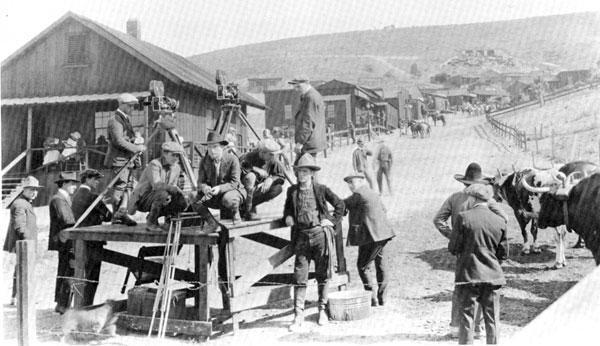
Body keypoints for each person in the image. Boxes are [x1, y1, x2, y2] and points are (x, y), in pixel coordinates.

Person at [433, 163, 509, 339]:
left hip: (463, 250)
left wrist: (453, 237)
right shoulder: (487, 200)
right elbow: (504, 219)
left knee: (462, 288)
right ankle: (478, 327)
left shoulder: (454, 198)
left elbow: (438, 220)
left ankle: (456, 327)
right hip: (487, 252)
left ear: (464, 183)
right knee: (485, 291)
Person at [283, 154, 344, 332]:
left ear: (311, 173)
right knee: (300, 276)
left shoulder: (321, 189)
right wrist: (288, 217)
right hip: (301, 237)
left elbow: (340, 204)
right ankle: (298, 315)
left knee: (322, 274)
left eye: (305, 171)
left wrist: (332, 220)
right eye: (299, 171)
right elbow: (287, 209)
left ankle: (322, 310)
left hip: (319, 236)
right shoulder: (292, 191)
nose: (301, 175)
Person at [449, 184, 508, 344]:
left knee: (467, 318)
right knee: (493, 319)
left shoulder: (463, 217)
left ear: (473, 198)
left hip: (469, 275)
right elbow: (503, 253)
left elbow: (453, 248)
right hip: (493, 276)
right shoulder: (500, 220)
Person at [343, 173, 396, 307]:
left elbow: (343, 204)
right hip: (383, 234)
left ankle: (371, 298)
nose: (350, 186)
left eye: (352, 182)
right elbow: (384, 209)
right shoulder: (371, 192)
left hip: (372, 236)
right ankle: (382, 298)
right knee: (381, 265)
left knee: (363, 266)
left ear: (361, 181)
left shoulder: (359, 194)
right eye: (348, 183)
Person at [104, 93, 146, 226]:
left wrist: (136, 137)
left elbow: (127, 137)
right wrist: (136, 148)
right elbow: (119, 141)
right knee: (120, 187)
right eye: (130, 106)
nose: (132, 108)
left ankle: (122, 214)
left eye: (133, 106)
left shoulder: (124, 119)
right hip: (118, 160)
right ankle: (117, 216)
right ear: (122, 105)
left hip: (127, 159)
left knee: (127, 186)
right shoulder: (115, 120)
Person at [71, 169, 112, 306]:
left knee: (80, 274)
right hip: (94, 241)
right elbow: (109, 216)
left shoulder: (75, 196)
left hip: (79, 241)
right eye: (95, 179)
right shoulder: (94, 196)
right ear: (87, 179)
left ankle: (79, 305)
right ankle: (87, 305)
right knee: (92, 276)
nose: (97, 182)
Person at [192, 131, 246, 232]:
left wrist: (220, 188)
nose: (212, 151)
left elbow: (235, 182)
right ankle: (212, 223)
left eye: (215, 147)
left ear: (222, 147)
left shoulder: (232, 159)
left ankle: (235, 213)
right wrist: (204, 188)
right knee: (195, 202)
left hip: (232, 192)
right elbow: (200, 182)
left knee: (228, 200)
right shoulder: (204, 161)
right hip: (215, 194)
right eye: (209, 147)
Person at [128, 142, 188, 232]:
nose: (176, 159)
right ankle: (151, 223)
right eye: (173, 155)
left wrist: (181, 195)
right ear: (165, 154)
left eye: (178, 156)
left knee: (182, 200)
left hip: (159, 197)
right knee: (163, 193)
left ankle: (169, 221)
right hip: (142, 199)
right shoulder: (154, 164)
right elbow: (157, 185)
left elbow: (173, 186)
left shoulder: (176, 168)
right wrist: (175, 190)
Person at [3, 176, 43, 306]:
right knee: (23, 269)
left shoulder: (26, 203)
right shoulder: (20, 203)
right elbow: (19, 225)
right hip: (24, 244)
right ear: (24, 189)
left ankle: (17, 296)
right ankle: (19, 296)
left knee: (22, 269)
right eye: (31, 189)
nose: (34, 192)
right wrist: (28, 242)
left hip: (26, 243)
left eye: (36, 190)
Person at [48, 172, 79, 314]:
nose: (74, 187)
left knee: (65, 271)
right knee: (67, 271)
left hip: (66, 240)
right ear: (65, 184)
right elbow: (66, 220)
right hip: (64, 241)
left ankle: (61, 304)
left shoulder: (65, 198)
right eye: (72, 184)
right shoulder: (58, 199)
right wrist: (82, 220)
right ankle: (62, 305)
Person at [240, 139, 286, 221]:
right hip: (243, 190)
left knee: (277, 188)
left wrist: (271, 179)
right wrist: (254, 169)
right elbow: (238, 170)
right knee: (250, 177)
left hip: (257, 190)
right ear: (262, 152)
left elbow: (281, 176)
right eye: (271, 154)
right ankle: (244, 208)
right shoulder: (248, 157)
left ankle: (248, 208)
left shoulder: (272, 159)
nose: (273, 157)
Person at [289, 76, 327, 160]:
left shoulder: (311, 97)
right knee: (304, 169)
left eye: (298, 86)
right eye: (294, 86)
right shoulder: (309, 96)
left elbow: (308, 121)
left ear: (307, 83)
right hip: (308, 142)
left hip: (308, 143)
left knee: (304, 170)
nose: (296, 89)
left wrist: (300, 142)